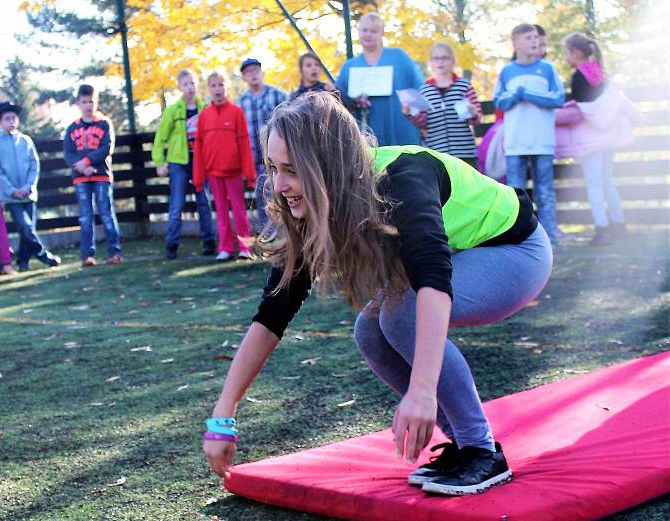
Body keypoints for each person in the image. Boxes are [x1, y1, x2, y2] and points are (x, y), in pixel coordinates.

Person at [202, 92, 553, 496]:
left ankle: (481, 450)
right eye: (272, 168)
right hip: (463, 256)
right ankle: (465, 444)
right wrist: (222, 414)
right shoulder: (310, 205)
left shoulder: (404, 177)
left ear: (327, 167)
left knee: (399, 316)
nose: (279, 186)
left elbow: (432, 281)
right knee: (369, 331)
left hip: (516, 253)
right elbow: (273, 314)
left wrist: (422, 392)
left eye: (292, 170)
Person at [555, 33, 640, 245]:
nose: (566, 56)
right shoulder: (602, 73)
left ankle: (602, 230)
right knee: (608, 182)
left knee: (593, 184)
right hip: (608, 136)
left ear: (575, 53)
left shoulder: (578, 77)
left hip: (589, 139)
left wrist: (562, 112)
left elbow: (583, 111)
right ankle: (619, 226)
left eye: (566, 52)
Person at [494, 23, 564, 246]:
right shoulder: (506, 71)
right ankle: (521, 239)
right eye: (528, 37)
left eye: (535, 37)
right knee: (516, 195)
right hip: (515, 143)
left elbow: (558, 99)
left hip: (542, 143)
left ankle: (550, 239)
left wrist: (528, 94)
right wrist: (516, 95)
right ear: (515, 43)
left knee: (545, 192)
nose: (534, 41)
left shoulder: (548, 68)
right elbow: (499, 101)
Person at [0, 101, 61, 271]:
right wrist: (12, 190)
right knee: (26, 226)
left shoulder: (26, 141)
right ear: (0, 121)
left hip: (29, 194)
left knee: (26, 230)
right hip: (12, 197)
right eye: (7, 118)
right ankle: (44, 255)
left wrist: (28, 186)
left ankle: (23, 263)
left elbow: (34, 165)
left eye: (14, 118)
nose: (11, 121)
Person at [152, 70, 216, 260]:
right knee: (176, 205)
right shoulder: (173, 110)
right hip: (178, 162)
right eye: (186, 84)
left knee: (204, 202)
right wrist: (160, 162)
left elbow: (211, 138)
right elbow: (160, 138)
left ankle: (209, 241)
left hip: (199, 162)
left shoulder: (204, 109)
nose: (190, 87)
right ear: (180, 87)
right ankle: (172, 244)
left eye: (193, 83)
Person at [335, 12, 424, 146]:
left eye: (373, 31)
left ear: (382, 33)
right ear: (358, 32)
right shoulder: (349, 66)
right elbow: (339, 102)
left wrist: (420, 121)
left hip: (401, 133)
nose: (368, 34)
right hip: (366, 136)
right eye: (364, 30)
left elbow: (420, 89)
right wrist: (354, 101)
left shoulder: (399, 58)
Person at [193, 72, 256, 261]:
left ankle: (247, 249)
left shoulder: (236, 112)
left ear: (227, 87)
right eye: (213, 86)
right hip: (213, 173)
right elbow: (199, 147)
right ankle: (225, 248)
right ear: (208, 89)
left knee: (240, 210)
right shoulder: (204, 115)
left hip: (234, 172)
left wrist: (250, 174)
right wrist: (198, 178)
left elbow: (245, 145)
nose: (217, 89)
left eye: (221, 85)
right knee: (220, 211)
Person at [63, 84, 123, 267]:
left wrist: (87, 162)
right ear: (78, 103)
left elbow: (106, 148)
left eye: (91, 101)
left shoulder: (104, 124)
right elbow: (68, 153)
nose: (88, 105)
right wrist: (81, 167)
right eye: (84, 102)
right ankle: (87, 255)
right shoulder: (72, 129)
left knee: (106, 213)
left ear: (96, 102)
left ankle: (115, 252)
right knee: (85, 216)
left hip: (101, 176)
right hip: (81, 178)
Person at [404, 42, 481, 168]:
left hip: (464, 151)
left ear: (453, 61)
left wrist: (473, 113)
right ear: (431, 63)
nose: (440, 62)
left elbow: (476, 119)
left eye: (445, 58)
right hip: (437, 152)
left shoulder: (464, 86)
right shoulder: (425, 91)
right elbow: (423, 124)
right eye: (436, 58)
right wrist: (410, 113)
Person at [238, 58, 287, 234]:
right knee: (263, 201)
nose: (253, 74)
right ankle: (270, 238)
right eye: (248, 72)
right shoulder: (240, 103)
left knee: (284, 196)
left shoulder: (277, 95)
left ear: (262, 72)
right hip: (256, 162)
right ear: (244, 77)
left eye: (255, 70)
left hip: (279, 161)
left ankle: (288, 236)